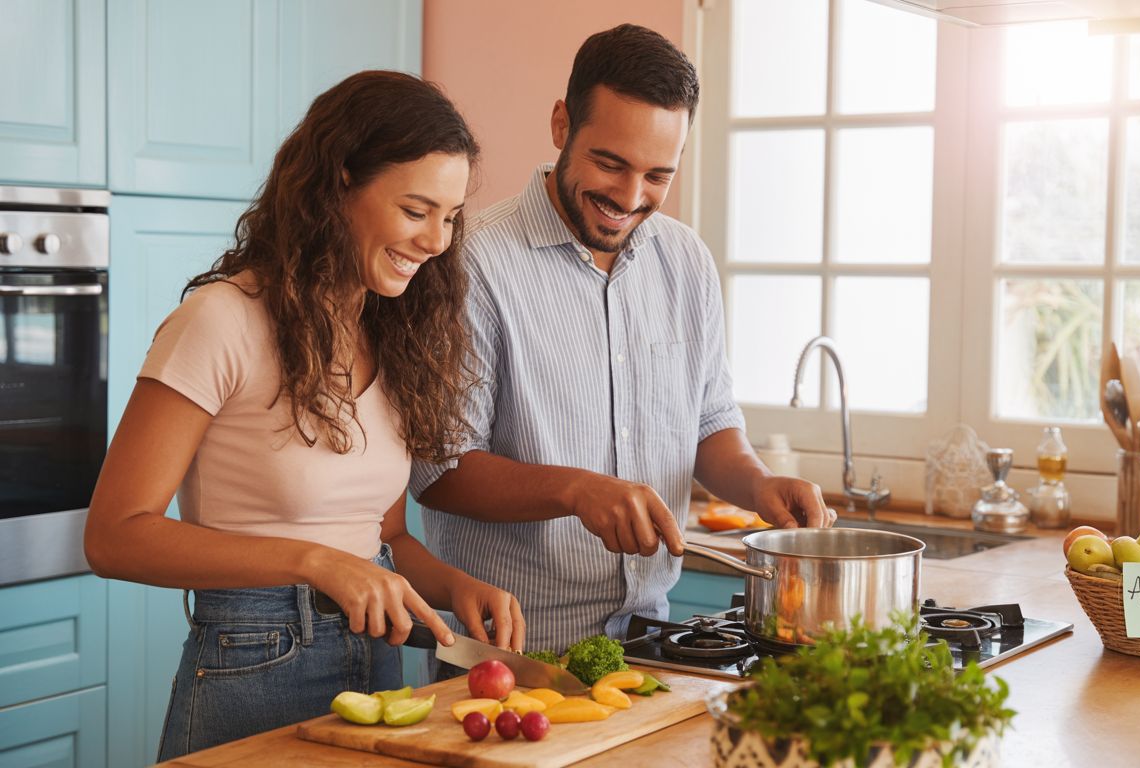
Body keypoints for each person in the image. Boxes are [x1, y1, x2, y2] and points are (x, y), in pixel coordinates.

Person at [83, 71, 525, 760]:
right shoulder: (221, 321)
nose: (438, 240)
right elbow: (113, 536)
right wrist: (315, 563)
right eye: (416, 210)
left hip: (378, 668)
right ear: (339, 182)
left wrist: (452, 585)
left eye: (451, 215)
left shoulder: (394, 334)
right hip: (250, 666)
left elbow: (382, 538)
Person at [410, 25, 832, 656]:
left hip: (654, 641)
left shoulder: (686, 260)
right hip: (513, 652)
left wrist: (758, 484)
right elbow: (439, 472)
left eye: (657, 175)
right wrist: (576, 491)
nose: (630, 198)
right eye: (610, 163)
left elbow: (709, 423)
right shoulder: (470, 263)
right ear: (561, 124)